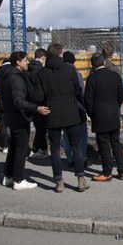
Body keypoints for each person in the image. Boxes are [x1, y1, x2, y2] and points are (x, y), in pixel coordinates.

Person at [33, 43, 87, 193]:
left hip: (51, 113)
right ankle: (80, 178)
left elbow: (38, 96)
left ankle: (59, 180)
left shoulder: (42, 73)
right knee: (76, 146)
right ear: (60, 54)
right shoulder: (70, 70)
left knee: (55, 148)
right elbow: (78, 90)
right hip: (70, 112)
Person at [0, 51, 50, 190]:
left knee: (14, 147)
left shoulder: (7, 75)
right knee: (21, 149)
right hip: (19, 117)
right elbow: (19, 101)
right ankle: (19, 179)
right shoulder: (16, 79)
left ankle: (8, 176)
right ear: (18, 62)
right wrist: (36, 108)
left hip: (11, 115)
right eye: (25, 60)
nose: (27, 62)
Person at [85, 53, 123, 182]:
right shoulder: (115, 76)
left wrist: (92, 113)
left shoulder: (92, 78)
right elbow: (121, 94)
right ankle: (121, 169)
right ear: (103, 62)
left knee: (103, 144)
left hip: (100, 114)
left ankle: (107, 171)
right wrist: (115, 105)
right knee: (115, 142)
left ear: (92, 64)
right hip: (113, 113)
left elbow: (88, 100)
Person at [62, 51, 88, 169]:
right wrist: (84, 106)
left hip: (63, 108)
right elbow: (81, 92)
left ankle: (70, 158)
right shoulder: (77, 75)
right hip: (77, 107)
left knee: (66, 134)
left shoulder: (58, 74)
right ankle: (81, 158)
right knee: (82, 134)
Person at [28, 48, 49, 159]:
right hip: (40, 101)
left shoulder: (28, 69)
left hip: (30, 101)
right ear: (43, 58)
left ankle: (43, 148)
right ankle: (36, 149)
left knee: (38, 126)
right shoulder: (41, 71)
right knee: (42, 127)